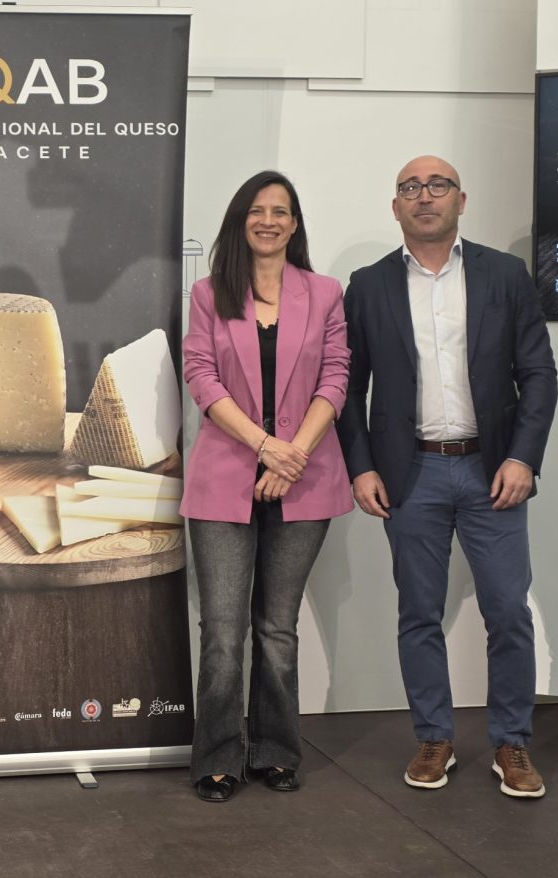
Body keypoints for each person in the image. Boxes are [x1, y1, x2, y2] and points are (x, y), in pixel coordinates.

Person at [336, 155, 558, 798]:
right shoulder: (368, 285)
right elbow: (347, 388)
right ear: (395, 206)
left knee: (508, 612)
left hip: (495, 471)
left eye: (438, 185)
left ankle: (511, 742)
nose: (424, 196)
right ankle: (433, 737)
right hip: (410, 475)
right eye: (410, 187)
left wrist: (524, 457)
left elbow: (538, 374)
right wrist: (361, 466)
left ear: (461, 199)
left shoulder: (505, 274)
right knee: (418, 613)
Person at [180, 171, 353, 802]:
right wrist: (264, 446)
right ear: (240, 220)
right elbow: (201, 376)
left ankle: (277, 750)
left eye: (281, 211)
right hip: (225, 475)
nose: (269, 221)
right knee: (223, 631)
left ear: (295, 223)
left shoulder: (325, 292)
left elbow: (336, 377)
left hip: (304, 478)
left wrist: (291, 456)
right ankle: (218, 756)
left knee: (278, 629)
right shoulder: (209, 292)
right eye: (257, 210)